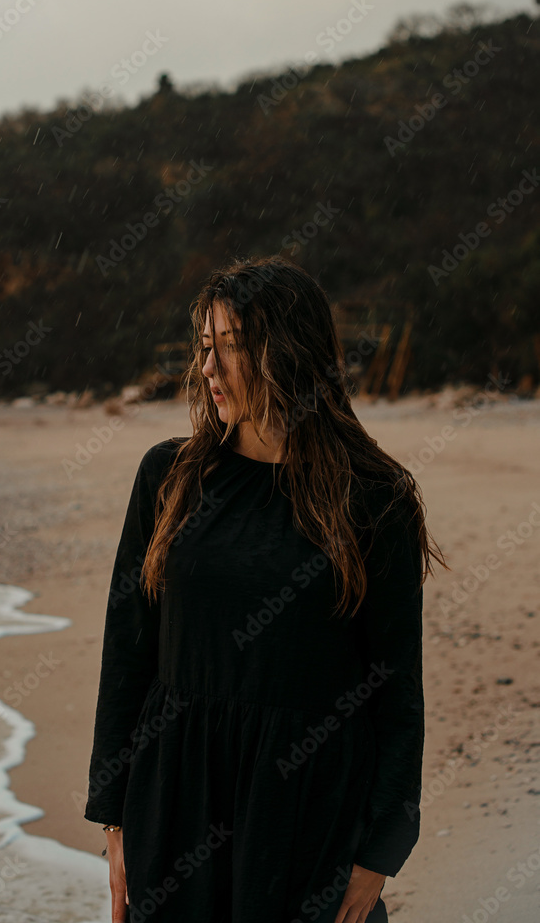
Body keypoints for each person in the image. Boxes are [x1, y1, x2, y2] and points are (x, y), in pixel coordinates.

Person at [84, 255, 448, 923]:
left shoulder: (371, 498)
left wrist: (380, 854)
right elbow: (127, 651)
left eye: (232, 347)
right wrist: (114, 816)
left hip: (307, 810)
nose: (208, 368)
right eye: (204, 347)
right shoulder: (169, 477)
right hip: (175, 799)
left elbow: (396, 689)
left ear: (289, 352)